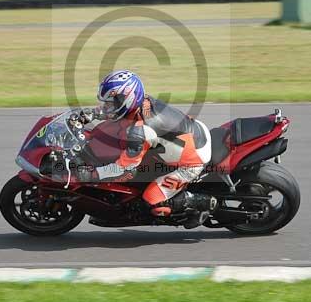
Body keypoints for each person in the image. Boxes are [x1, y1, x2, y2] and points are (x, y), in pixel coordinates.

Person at [77, 70, 216, 229]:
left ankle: (199, 202)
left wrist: (92, 174)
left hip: (193, 160)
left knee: (152, 199)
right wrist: (92, 114)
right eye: (107, 102)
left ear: (127, 99)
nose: (108, 106)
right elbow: (116, 111)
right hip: (192, 135)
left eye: (111, 102)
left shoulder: (141, 132)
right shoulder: (142, 102)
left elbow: (123, 167)